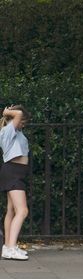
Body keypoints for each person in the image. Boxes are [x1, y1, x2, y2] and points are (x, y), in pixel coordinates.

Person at [0, 105, 31, 261]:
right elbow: (18, 113)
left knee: (11, 210)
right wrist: (6, 112)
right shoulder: (8, 130)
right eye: (22, 121)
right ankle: (11, 247)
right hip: (12, 172)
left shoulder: (16, 131)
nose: (23, 123)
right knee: (22, 211)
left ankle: (7, 246)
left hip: (15, 172)